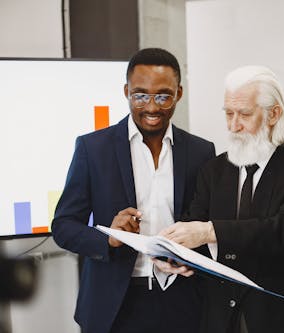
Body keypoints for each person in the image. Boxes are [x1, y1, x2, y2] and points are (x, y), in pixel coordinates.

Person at [51, 48, 215, 333]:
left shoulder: (201, 151)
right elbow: (64, 226)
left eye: (163, 95)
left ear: (179, 93)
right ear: (126, 91)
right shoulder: (93, 149)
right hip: (114, 305)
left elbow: (206, 224)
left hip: (183, 300)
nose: (151, 107)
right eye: (140, 95)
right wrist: (110, 240)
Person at [153, 65, 284, 333]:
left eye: (244, 114)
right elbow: (193, 229)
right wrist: (173, 255)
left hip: (281, 320)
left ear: (273, 114)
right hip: (220, 321)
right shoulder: (214, 170)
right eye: (229, 114)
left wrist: (210, 231)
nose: (234, 125)